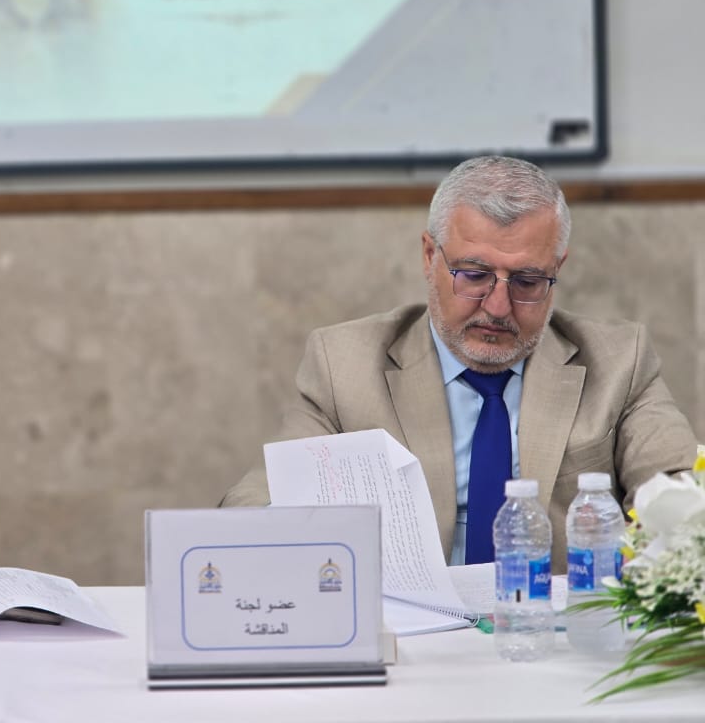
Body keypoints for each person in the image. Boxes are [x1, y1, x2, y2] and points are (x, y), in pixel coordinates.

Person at [221, 156, 696, 569]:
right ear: (430, 257)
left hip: (555, 625)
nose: (498, 306)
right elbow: (255, 503)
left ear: (557, 270)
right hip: (413, 630)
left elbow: (684, 494)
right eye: (473, 274)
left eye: (527, 281)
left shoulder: (618, 362)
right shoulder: (344, 365)